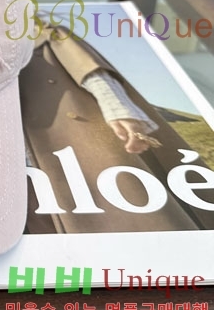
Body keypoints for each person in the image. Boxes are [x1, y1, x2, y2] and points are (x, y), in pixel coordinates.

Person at [20, 22, 214, 233]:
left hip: (73, 135)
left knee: (126, 204)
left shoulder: (47, 34)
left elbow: (91, 70)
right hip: (22, 152)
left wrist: (119, 110)